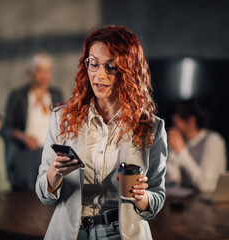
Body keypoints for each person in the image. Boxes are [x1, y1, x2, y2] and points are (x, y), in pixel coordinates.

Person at [35, 26, 168, 240]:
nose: (99, 75)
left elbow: (157, 196)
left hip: (123, 234)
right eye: (93, 64)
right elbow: (44, 194)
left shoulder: (150, 127)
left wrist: (142, 198)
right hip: (71, 233)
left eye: (111, 67)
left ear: (129, 71)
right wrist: (54, 174)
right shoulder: (62, 118)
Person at [1, 53, 63, 190]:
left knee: (50, 188)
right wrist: (24, 137)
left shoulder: (56, 94)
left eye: (47, 70)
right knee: (27, 193)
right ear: (30, 72)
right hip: (26, 151)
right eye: (40, 70)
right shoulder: (18, 96)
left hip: (51, 151)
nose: (44, 75)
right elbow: (5, 128)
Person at [166, 98, 227, 192]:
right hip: (186, 200)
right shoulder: (182, 141)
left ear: (191, 121)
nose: (173, 118)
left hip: (209, 201)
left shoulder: (213, 140)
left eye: (178, 115)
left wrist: (182, 152)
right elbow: (172, 180)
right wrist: (172, 151)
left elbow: (206, 185)